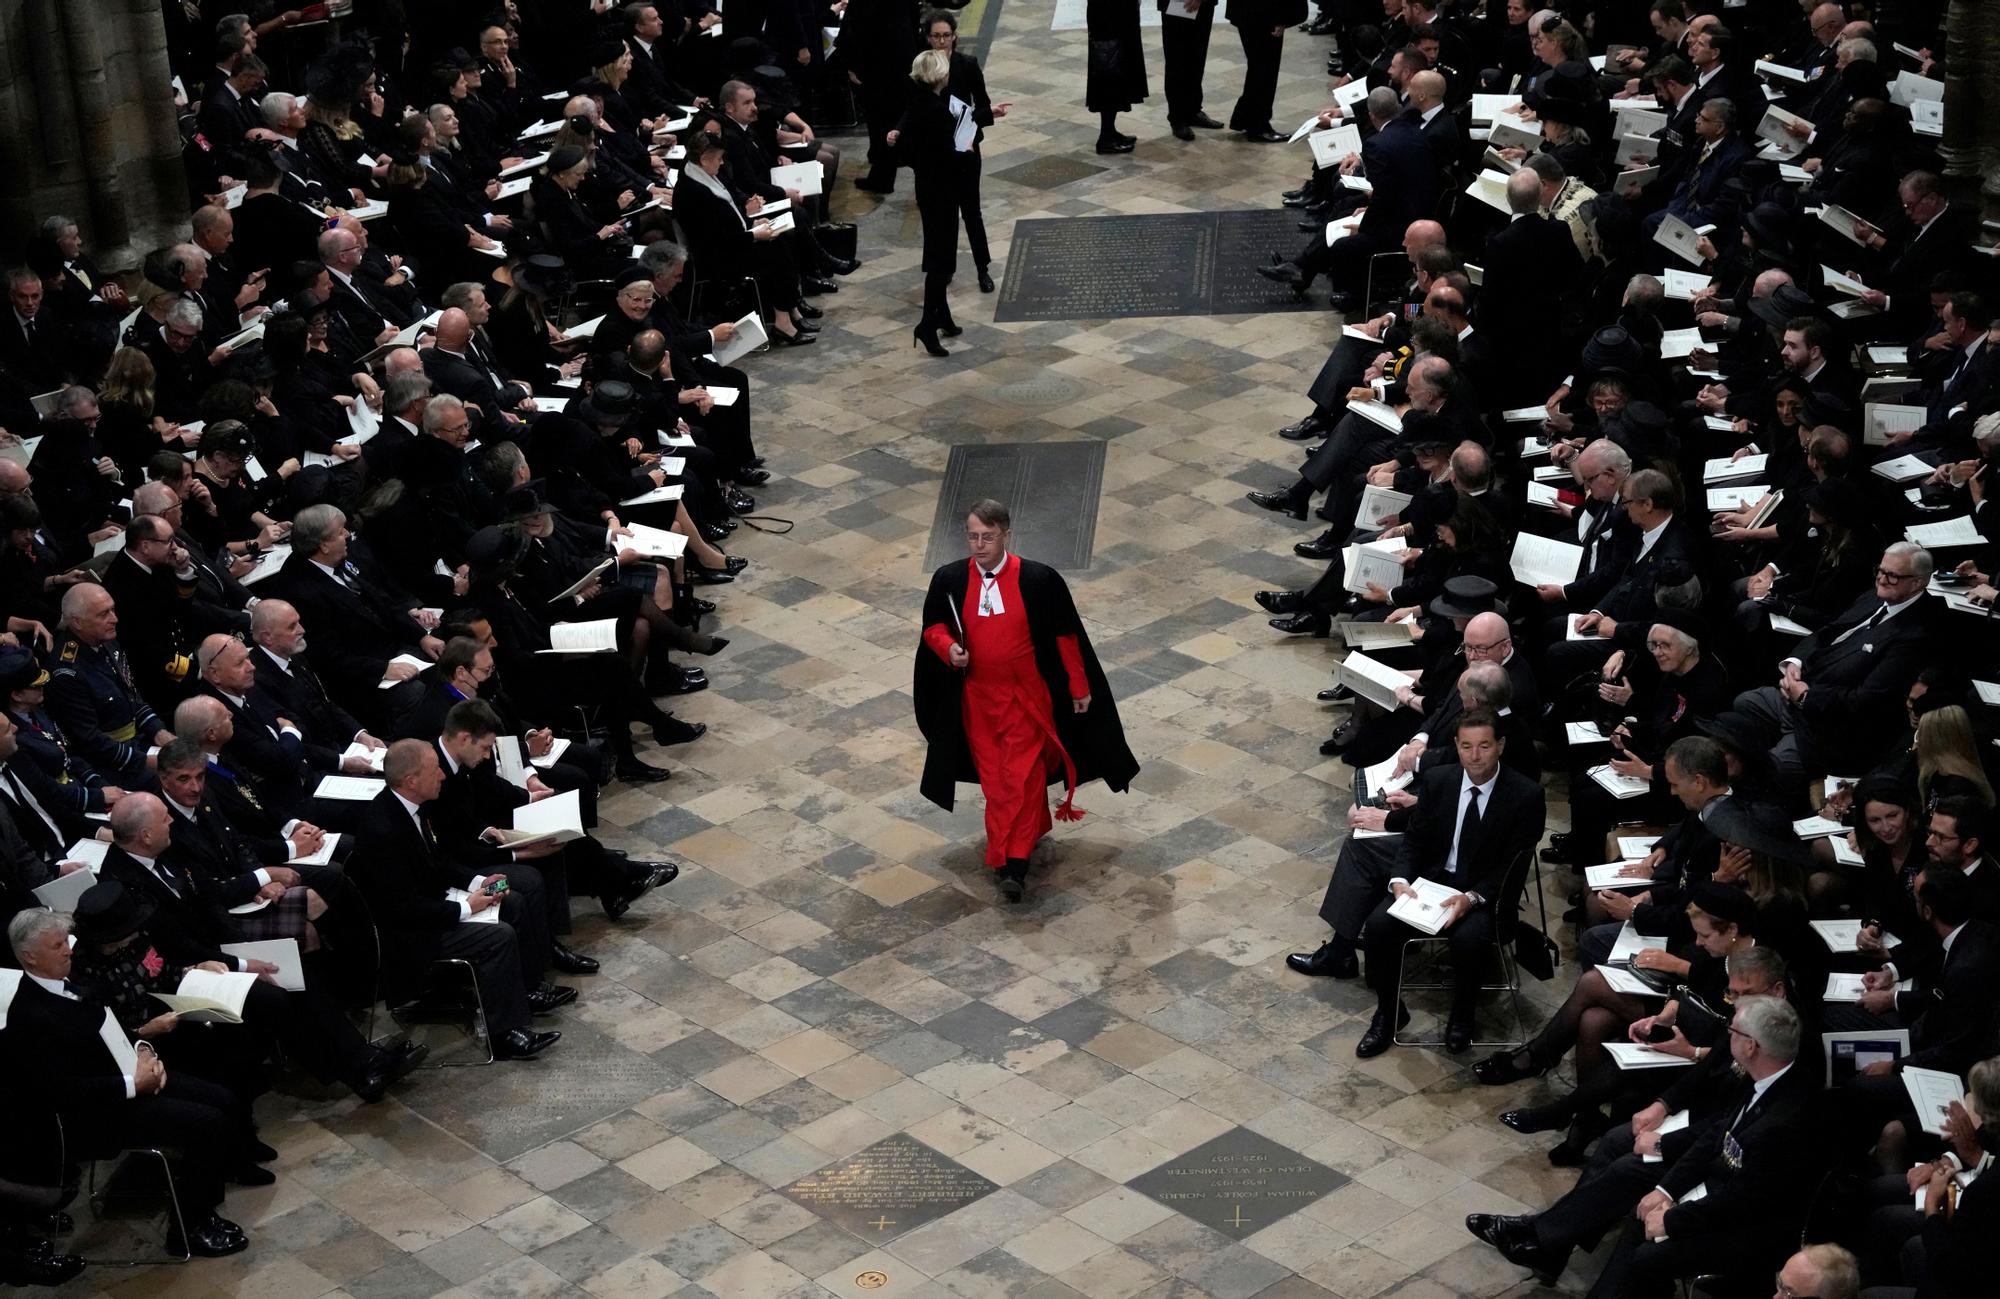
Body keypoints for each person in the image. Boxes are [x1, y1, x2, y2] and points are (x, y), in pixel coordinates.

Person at [914, 500, 1137, 900]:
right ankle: (1025, 837)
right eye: (973, 536)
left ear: (1006, 536)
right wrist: (949, 649)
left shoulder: (1038, 580)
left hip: (1027, 700)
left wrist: (1079, 688)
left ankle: (1010, 863)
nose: (979, 545)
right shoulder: (950, 580)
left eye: (988, 537)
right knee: (998, 780)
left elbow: (1065, 638)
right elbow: (933, 627)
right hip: (977, 702)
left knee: (1020, 777)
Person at [1354, 710, 1548, 1056]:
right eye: (1467, 746)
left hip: (1486, 892)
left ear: (1500, 746)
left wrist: (1472, 898)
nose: (1475, 756)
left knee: (1469, 940)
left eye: (1484, 746)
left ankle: (1463, 1014)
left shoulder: (1525, 795)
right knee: (1378, 926)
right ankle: (1388, 1011)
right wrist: (1399, 881)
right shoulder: (1440, 780)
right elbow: (1414, 840)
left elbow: (1511, 868)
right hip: (1434, 881)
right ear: (1456, 746)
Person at [890, 51, 971, 358]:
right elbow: (948, 155)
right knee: (941, 260)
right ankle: (926, 324)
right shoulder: (935, 111)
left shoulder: (919, 102)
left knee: (941, 253)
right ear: (940, 76)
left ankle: (944, 317)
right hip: (942, 190)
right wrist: (965, 150)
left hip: (929, 187)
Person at [924, 10, 1005, 293]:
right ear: (928, 38)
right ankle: (946, 267)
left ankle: (983, 269)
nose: (942, 41)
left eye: (946, 35)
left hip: (967, 149)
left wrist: (986, 115)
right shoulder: (922, 68)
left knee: (972, 211)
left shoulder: (967, 65)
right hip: (938, 152)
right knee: (944, 213)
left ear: (955, 36)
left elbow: (982, 105)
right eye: (936, 36)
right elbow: (914, 108)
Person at [1226, 0, 1303, 141]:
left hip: (1250, 12)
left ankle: (1244, 118)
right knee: (1265, 69)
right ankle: (1258, 125)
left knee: (1259, 67)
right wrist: (1279, 18)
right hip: (1263, 15)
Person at [1085, 0, 1148, 154]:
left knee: (1120, 72)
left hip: (1120, 16)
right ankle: (1106, 137)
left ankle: (1110, 131)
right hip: (1108, 19)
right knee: (1109, 72)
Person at [1158, 0, 1222, 142]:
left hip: (1204, 4)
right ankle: (1177, 117)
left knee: (1198, 57)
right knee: (1177, 60)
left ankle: (1193, 110)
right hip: (1178, 2)